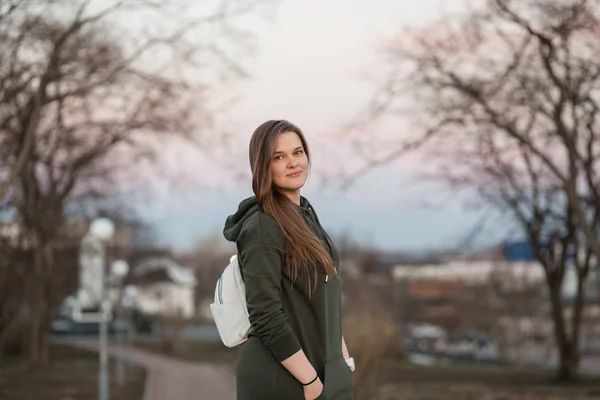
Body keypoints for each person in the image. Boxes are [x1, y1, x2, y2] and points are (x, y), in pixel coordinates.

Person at [223, 120, 355, 400]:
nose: (293, 163)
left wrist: (343, 363)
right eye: (279, 157)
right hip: (283, 378)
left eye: (297, 152)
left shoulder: (304, 214)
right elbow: (265, 314)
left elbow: (324, 298)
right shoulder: (263, 226)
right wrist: (310, 381)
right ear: (263, 166)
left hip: (320, 372)